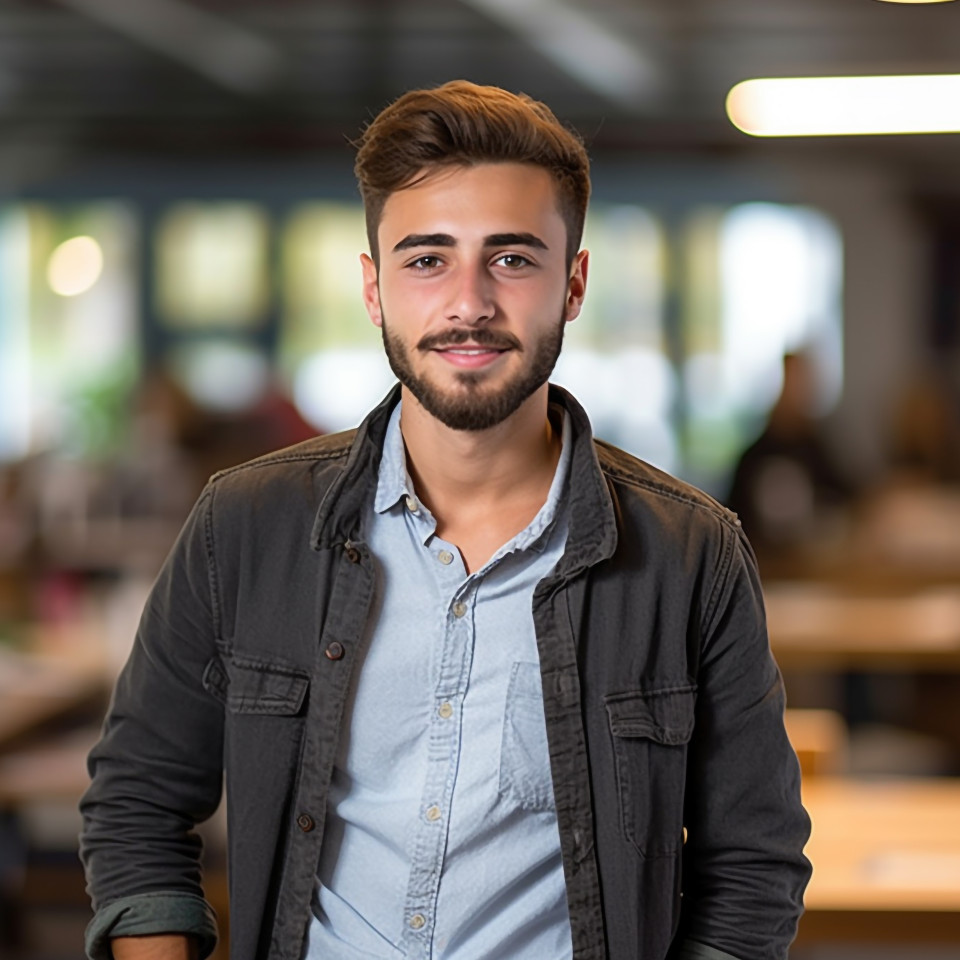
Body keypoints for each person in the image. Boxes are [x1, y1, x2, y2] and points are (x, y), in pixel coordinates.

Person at [80, 81, 811, 960]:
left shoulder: (689, 555)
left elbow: (754, 868)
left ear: (573, 284)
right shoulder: (245, 526)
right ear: (374, 286)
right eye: (427, 259)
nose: (469, 303)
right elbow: (137, 803)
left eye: (512, 259)